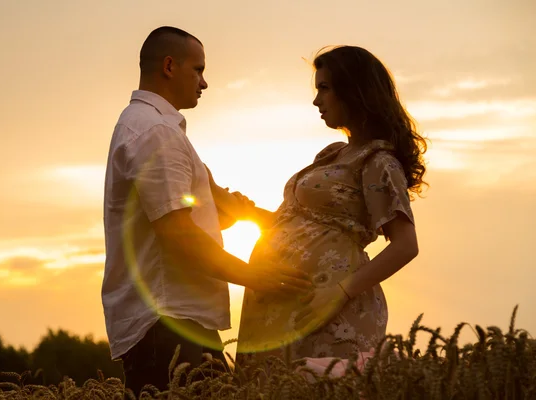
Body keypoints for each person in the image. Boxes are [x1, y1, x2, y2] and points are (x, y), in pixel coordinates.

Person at [101, 26, 311, 398]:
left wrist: (292, 223)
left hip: (176, 320)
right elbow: (178, 234)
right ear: (169, 66)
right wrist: (254, 276)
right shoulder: (154, 134)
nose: (204, 83)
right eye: (197, 70)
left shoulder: (159, 130)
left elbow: (215, 205)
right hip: (168, 323)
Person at [234, 45, 428, 363]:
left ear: (354, 90)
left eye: (324, 88)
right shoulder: (332, 154)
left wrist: (338, 293)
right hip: (281, 308)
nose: (316, 100)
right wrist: (245, 212)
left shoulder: (378, 161)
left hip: (329, 314)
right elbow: (301, 223)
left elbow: (406, 245)